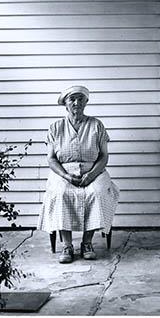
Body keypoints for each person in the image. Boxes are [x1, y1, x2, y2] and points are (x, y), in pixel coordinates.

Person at [37, 86, 119, 263]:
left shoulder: (96, 125)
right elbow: (51, 159)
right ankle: (67, 245)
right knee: (61, 193)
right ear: (65, 104)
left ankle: (87, 243)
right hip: (63, 172)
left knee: (96, 193)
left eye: (80, 99)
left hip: (94, 171)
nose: (76, 103)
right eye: (72, 99)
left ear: (86, 102)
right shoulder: (55, 127)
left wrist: (91, 175)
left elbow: (104, 156)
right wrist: (66, 176)